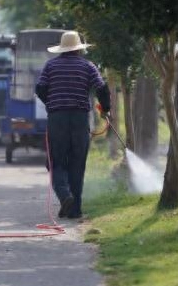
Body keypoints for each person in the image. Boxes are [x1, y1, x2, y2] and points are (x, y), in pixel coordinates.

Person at [35, 31, 111, 219]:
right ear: (78, 49)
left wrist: (52, 103)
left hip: (57, 119)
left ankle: (64, 195)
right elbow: (102, 88)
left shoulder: (50, 66)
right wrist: (106, 110)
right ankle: (74, 208)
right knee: (77, 164)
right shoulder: (88, 66)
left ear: (62, 48)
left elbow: (40, 89)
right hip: (79, 119)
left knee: (56, 162)